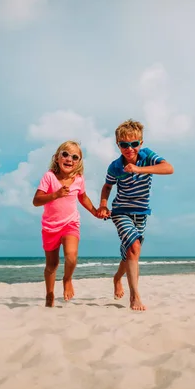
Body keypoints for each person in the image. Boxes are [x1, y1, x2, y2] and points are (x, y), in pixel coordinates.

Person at [97, 120, 174, 311]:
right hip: (120, 211)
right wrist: (103, 205)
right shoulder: (115, 167)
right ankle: (135, 296)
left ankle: (117, 278)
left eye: (134, 144)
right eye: (124, 144)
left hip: (141, 213)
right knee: (134, 246)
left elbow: (168, 168)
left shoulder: (147, 156)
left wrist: (140, 169)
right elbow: (107, 186)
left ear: (141, 142)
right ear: (118, 145)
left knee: (131, 252)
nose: (129, 148)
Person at [32, 140, 101, 307]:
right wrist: (55, 195)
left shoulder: (78, 179)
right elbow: (36, 200)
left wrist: (95, 211)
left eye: (74, 157)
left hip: (70, 223)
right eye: (65, 154)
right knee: (52, 265)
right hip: (50, 226)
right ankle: (49, 295)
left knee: (71, 255)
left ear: (78, 162)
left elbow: (83, 198)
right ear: (57, 158)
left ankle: (67, 279)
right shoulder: (49, 177)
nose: (69, 159)